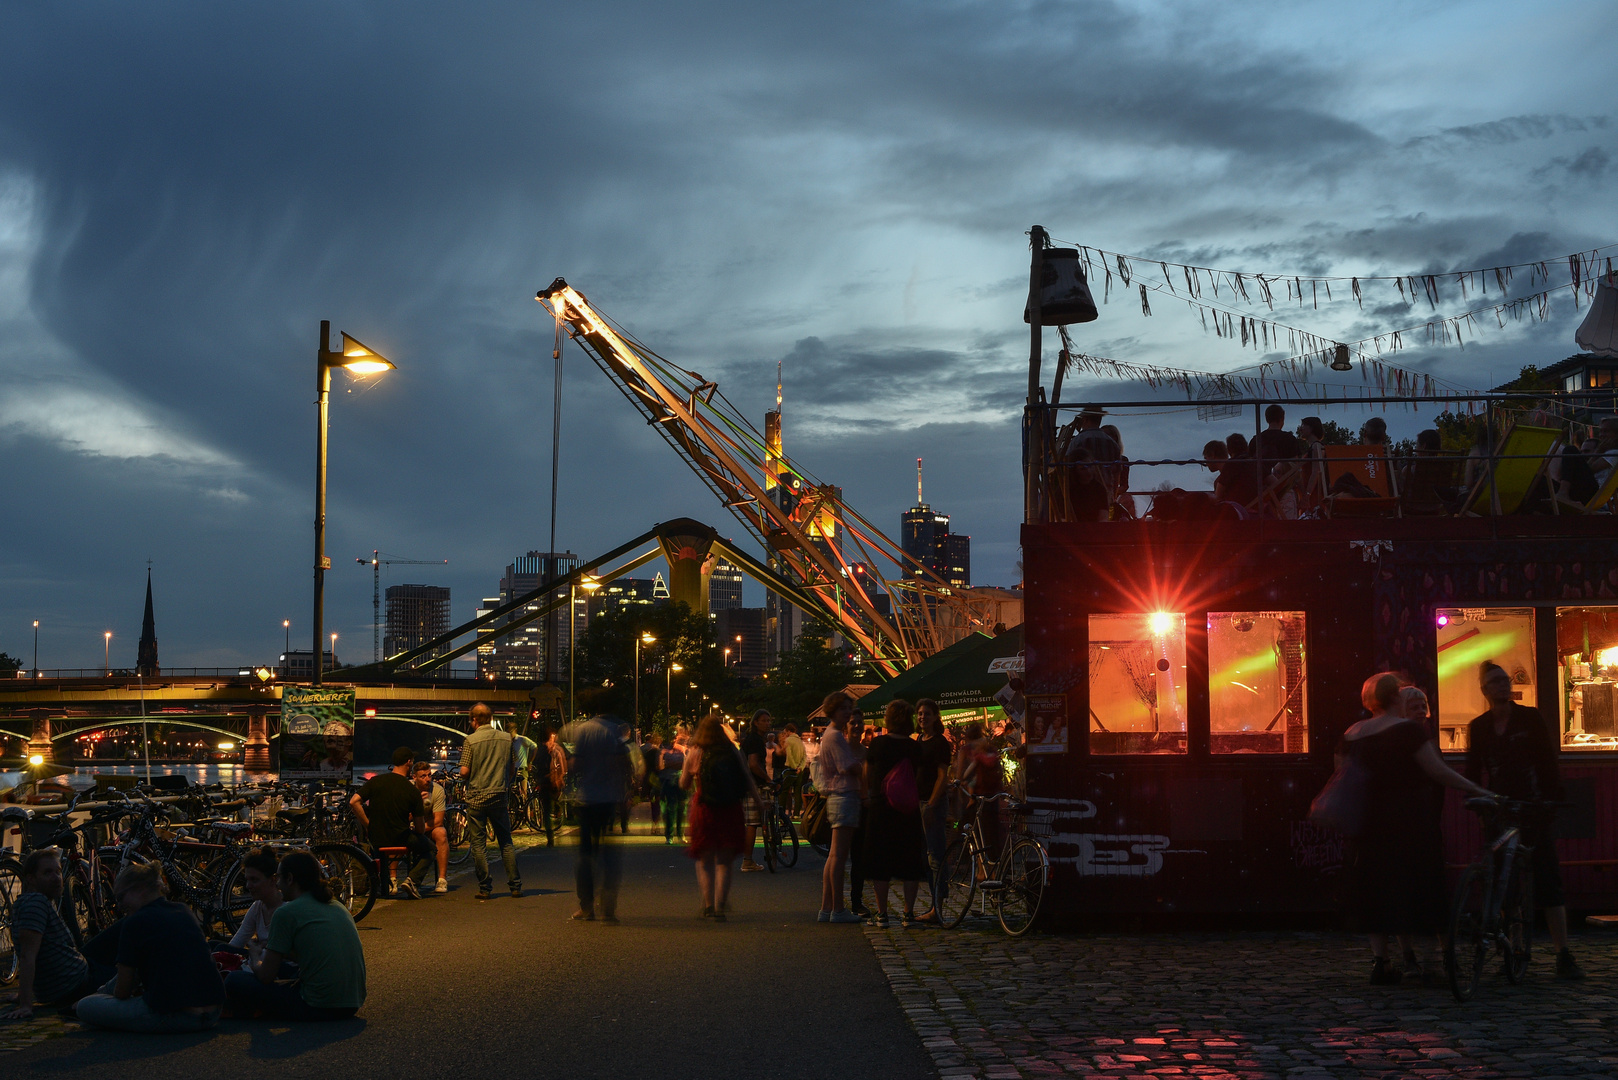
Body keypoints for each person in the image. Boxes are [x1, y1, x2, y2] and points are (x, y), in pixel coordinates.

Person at [1342, 672, 1495, 985]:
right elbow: (1438, 771)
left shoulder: (1352, 733)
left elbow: (1343, 781)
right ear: (1395, 698)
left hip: (1369, 827)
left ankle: (1381, 962)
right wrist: (1479, 790)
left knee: (1378, 894)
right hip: (1410, 823)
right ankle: (1436, 961)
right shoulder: (1407, 731)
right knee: (1424, 888)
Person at [1466, 661, 1586, 979]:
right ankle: (1510, 948)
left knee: (1548, 880)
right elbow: (1472, 769)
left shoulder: (1530, 718)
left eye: (1505, 680)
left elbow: (1547, 760)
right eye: (1496, 681)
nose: (1503, 685)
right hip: (1499, 807)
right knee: (1503, 883)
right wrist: (1476, 798)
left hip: (1533, 806)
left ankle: (1563, 954)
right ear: (1485, 690)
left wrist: (1550, 797)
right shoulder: (1478, 727)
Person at [74, 862, 225, 1032]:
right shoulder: (183, 910)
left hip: (176, 1015)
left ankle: (88, 999)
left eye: (121, 898)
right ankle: (97, 994)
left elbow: (122, 991)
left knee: (85, 1006)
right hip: (213, 1012)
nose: (120, 906)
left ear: (141, 889)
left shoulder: (134, 922)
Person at [224, 851, 365, 1021]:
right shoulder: (337, 906)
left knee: (235, 980)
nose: (278, 883)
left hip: (318, 1004)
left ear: (289, 879)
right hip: (352, 1003)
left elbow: (265, 976)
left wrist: (254, 954)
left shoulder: (286, 912)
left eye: (279, 878)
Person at [2, 848, 110, 1020]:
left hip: (75, 970)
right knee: (130, 944)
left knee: (117, 932)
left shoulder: (31, 901)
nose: (56, 878)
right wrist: (25, 1005)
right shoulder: (35, 904)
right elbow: (27, 955)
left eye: (58, 872)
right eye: (47, 873)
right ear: (31, 879)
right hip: (77, 983)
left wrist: (22, 994)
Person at [681, 713, 761, 919]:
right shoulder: (732, 751)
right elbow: (746, 777)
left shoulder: (696, 752)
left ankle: (708, 906)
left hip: (704, 809)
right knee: (724, 862)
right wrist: (759, 801)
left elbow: (684, 783)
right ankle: (720, 906)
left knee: (705, 860)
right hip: (730, 809)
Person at [862, 701, 931, 928]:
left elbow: (868, 773)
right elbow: (919, 777)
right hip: (907, 810)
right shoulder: (914, 747)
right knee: (910, 860)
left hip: (881, 809)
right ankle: (908, 913)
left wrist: (871, 796)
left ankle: (882, 913)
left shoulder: (878, 744)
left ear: (889, 719)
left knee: (880, 860)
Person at [349, 746, 433, 899]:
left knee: (380, 850)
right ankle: (412, 881)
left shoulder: (376, 781)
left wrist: (368, 825)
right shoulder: (411, 790)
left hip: (377, 837)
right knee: (430, 848)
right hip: (400, 837)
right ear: (409, 762)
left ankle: (384, 884)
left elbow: (354, 801)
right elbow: (420, 829)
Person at [571, 712, 631, 922]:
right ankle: (608, 902)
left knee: (586, 855)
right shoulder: (614, 730)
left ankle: (586, 906)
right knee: (608, 850)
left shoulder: (584, 730)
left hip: (587, 798)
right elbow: (622, 763)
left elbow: (576, 765)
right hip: (608, 798)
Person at [459, 703, 522, 900]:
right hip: (499, 797)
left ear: (474, 720)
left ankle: (485, 888)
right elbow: (512, 768)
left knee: (478, 844)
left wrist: (465, 774)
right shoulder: (506, 739)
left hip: (477, 798)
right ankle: (515, 886)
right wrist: (504, 783)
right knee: (506, 842)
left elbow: (464, 771)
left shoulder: (470, 740)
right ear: (491, 718)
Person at [815, 691, 865, 923]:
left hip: (837, 796)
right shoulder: (835, 736)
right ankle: (838, 909)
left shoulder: (830, 734)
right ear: (834, 710)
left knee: (834, 855)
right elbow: (847, 766)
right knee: (839, 856)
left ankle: (827, 908)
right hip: (844, 795)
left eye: (849, 708)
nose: (847, 712)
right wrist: (860, 767)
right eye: (844, 708)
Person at [913, 700, 953, 926]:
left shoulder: (940, 743)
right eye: (919, 713)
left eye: (926, 713)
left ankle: (937, 906)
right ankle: (933, 905)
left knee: (935, 856)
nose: (922, 717)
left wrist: (931, 804)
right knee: (926, 856)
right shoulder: (918, 740)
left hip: (932, 803)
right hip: (918, 801)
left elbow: (942, 776)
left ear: (936, 716)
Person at [225, 846, 284, 959]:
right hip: (260, 962)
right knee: (216, 948)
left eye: (254, 880)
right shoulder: (257, 907)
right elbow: (236, 943)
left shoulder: (285, 910)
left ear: (273, 880)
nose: (248, 886)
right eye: (247, 880)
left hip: (278, 969)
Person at [739, 710, 772, 872]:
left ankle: (748, 859)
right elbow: (753, 764)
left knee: (753, 822)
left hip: (746, 784)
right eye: (764, 721)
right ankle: (747, 861)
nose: (767, 723)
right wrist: (767, 778)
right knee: (752, 823)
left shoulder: (753, 739)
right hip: (753, 785)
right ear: (756, 722)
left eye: (769, 721)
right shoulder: (755, 740)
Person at [412, 760, 450, 893]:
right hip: (410, 828)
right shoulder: (408, 789)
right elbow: (402, 817)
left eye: (429, 775)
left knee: (441, 833)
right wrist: (417, 802)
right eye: (423, 776)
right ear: (414, 777)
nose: (427, 779)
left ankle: (442, 879)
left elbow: (438, 820)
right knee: (396, 832)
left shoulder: (437, 790)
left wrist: (420, 829)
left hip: (428, 828)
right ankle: (392, 879)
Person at [535, 726, 566, 847]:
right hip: (552, 783)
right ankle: (552, 833)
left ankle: (550, 836)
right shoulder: (556, 750)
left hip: (545, 783)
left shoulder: (541, 750)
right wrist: (559, 778)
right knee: (552, 806)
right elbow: (563, 768)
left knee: (547, 811)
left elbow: (537, 765)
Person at [658, 735, 687, 843]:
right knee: (681, 808)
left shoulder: (666, 752)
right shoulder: (683, 751)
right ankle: (680, 834)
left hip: (669, 781)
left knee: (672, 808)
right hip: (680, 780)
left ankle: (670, 836)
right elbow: (686, 766)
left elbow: (660, 767)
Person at [779, 722, 808, 813]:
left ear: (788, 731)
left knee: (784, 791)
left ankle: (782, 811)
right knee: (797, 791)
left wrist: (794, 767)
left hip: (790, 769)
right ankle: (796, 813)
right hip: (800, 770)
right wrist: (800, 767)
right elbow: (804, 756)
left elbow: (790, 755)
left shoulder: (788, 741)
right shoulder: (800, 742)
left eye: (785, 731)